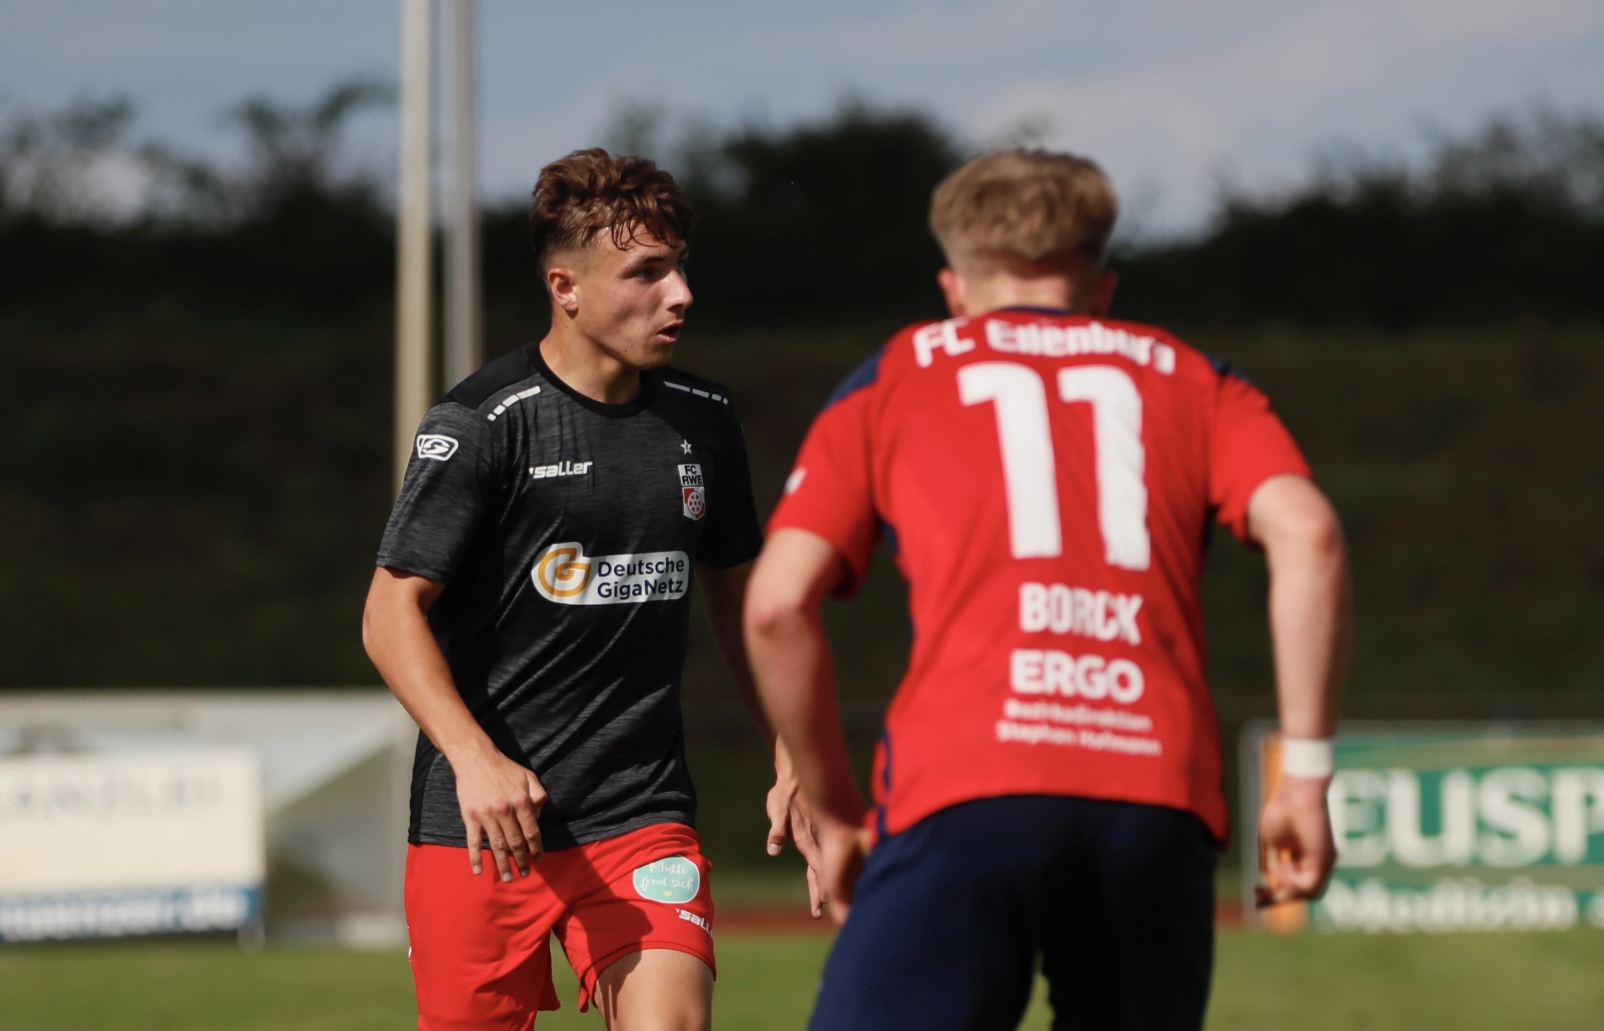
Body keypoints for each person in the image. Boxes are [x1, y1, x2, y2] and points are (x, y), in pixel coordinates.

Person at [744, 149, 1350, 1031]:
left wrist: (837, 814)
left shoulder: (900, 372)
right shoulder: (1192, 374)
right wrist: (1304, 778)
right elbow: (1312, 534)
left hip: (967, 782)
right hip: (1156, 792)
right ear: (1103, 289)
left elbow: (773, 604)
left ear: (954, 288)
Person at [363, 148, 810, 1031]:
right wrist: (475, 757)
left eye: (679, 266)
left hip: (638, 811)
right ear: (564, 286)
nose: (679, 293)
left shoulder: (704, 421)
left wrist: (791, 749)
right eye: (646, 272)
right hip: (484, 827)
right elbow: (389, 613)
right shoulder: (482, 423)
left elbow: (740, 598)